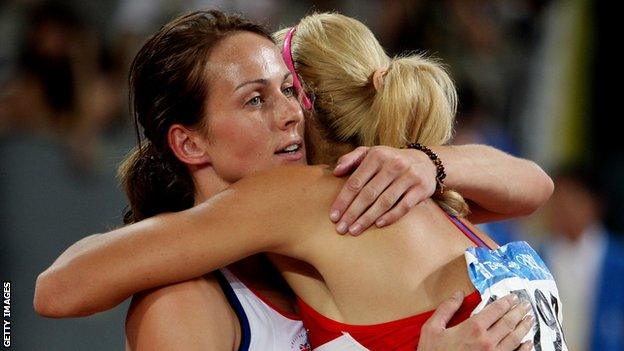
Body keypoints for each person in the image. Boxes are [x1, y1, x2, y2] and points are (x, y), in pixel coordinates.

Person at [34, 10, 553, 350]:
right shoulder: (185, 301)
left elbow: (533, 186)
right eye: (255, 99)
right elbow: (51, 290)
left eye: (289, 90)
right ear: (190, 143)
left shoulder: (344, 211)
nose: (290, 114)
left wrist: (430, 162)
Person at [542, 165, 624, 351]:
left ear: (594, 203)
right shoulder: (536, 258)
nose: (563, 208)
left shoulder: (618, 262)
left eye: (572, 199)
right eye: (557, 199)